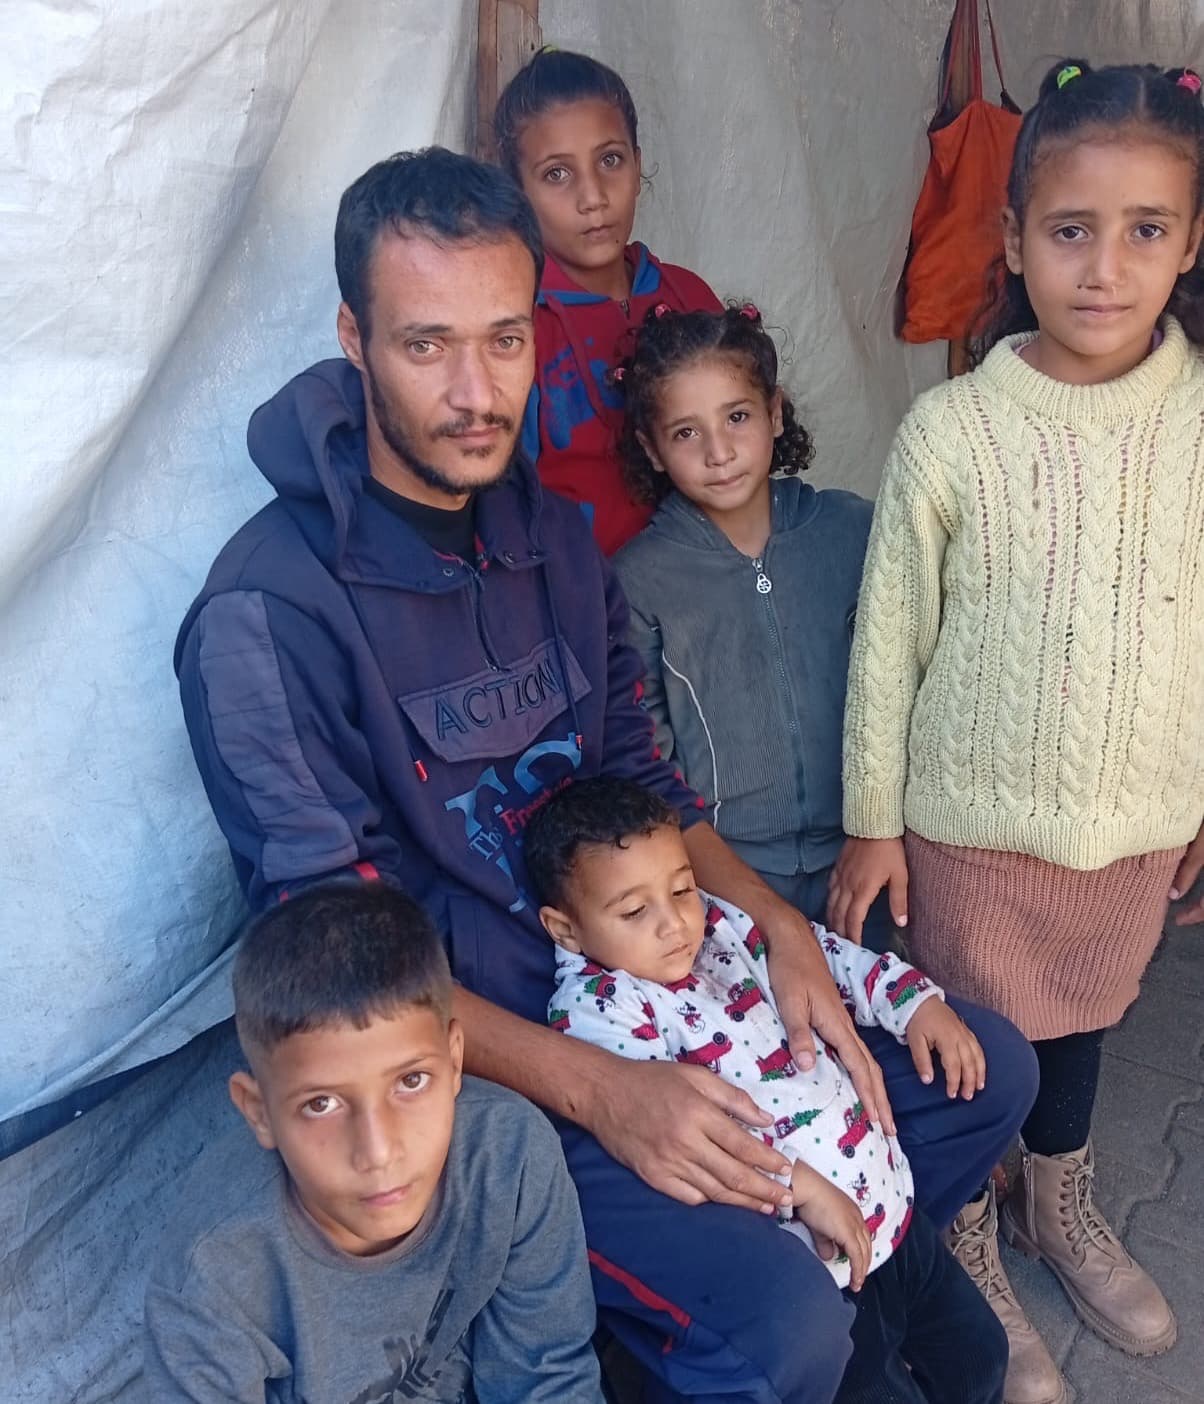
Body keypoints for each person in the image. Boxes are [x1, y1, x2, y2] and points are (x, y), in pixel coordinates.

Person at [176, 145, 1037, 1403]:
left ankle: (848, 1259)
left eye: (504, 340)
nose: (475, 392)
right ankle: (742, 1314)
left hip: (671, 982)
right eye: (425, 346)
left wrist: (779, 931)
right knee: (783, 1334)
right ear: (354, 340)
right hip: (490, 1071)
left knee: (988, 1073)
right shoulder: (266, 613)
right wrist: (608, 1093)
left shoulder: (552, 537)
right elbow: (348, 974)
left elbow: (645, 783)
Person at [832, 59, 1204, 1404]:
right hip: (972, 830)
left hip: (1136, 820)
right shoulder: (953, 431)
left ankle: (1059, 1208)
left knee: (1086, 1024)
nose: (1105, 268)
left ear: (1192, 241)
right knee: (977, 1041)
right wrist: (873, 821)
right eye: (1070, 230)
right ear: (1010, 239)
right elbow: (889, 640)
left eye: (1145, 229)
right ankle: (969, 1233)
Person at [526, 777, 1008, 1404]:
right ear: (566, 930)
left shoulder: (720, 923)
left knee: (981, 1359)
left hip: (888, 1206)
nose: (675, 923)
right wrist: (797, 1187)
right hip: (817, 1259)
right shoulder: (598, 1012)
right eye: (635, 912)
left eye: (680, 889)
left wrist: (913, 1003)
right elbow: (686, 1137)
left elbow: (826, 957)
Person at [142, 883, 604, 1402]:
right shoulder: (216, 1271)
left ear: (454, 1061)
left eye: (411, 1081)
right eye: (321, 1104)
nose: (379, 1152)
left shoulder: (506, 1156)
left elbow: (546, 1376)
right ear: (259, 1112)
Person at [612, 302, 898, 953]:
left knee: (875, 1007)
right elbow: (646, 758)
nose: (718, 453)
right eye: (686, 433)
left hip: (864, 862)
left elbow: (913, 686)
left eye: (737, 417)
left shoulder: (853, 532)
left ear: (775, 412)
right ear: (651, 449)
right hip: (722, 882)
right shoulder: (640, 579)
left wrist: (884, 831)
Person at [494, 47, 723, 554]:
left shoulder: (687, 295)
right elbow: (501, 506)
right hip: (577, 593)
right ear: (517, 191)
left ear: (638, 165)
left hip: (707, 581)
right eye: (557, 174)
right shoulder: (515, 329)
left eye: (610, 160)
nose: (593, 197)